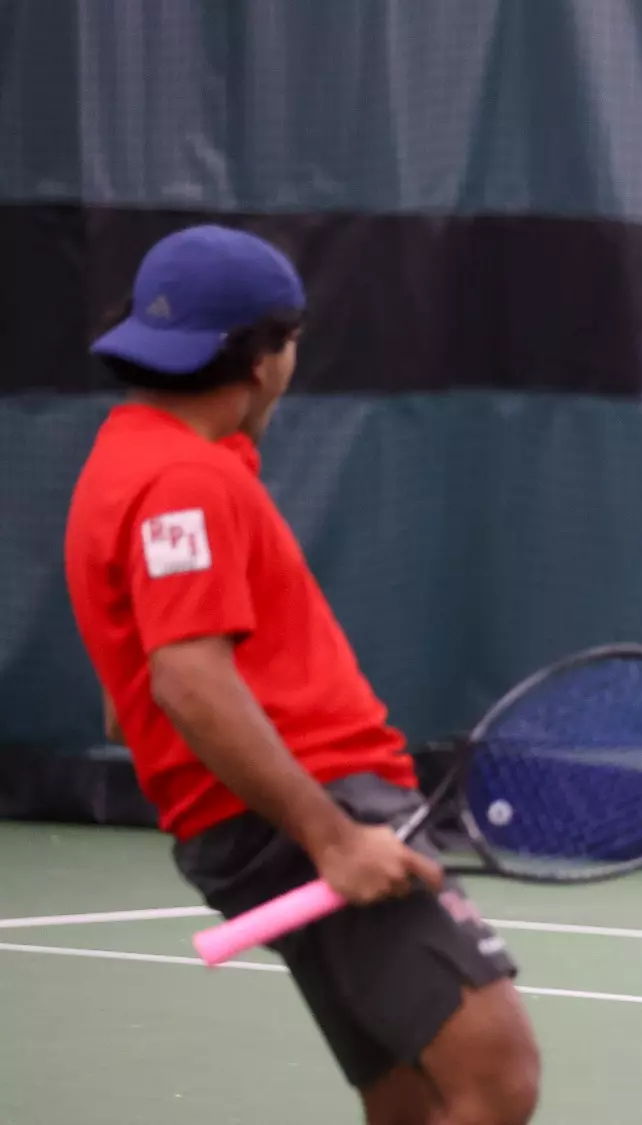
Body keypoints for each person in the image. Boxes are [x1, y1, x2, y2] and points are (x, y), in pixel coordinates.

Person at [63, 225, 541, 1125]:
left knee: (409, 1094)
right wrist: (332, 836)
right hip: (314, 807)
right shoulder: (184, 481)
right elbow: (187, 683)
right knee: (494, 1075)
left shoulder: (126, 466)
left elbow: (126, 704)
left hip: (253, 817)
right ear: (260, 356)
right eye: (289, 342)